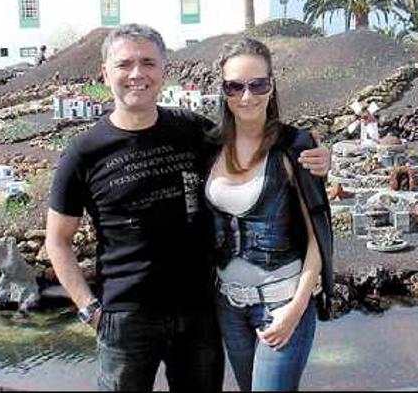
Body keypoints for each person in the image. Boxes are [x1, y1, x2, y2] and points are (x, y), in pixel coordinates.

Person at [44, 24, 331, 392]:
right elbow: (58, 240)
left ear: (163, 70)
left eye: (147, 62)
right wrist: (88, 308)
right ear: (105, 72)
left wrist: (319, 155)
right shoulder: (83, 153)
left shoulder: (193, 130)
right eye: (124, 64)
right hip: (127, 316)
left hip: (200, 313)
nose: (137, 73)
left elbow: (256, 137)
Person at [206, 38, 333, 391]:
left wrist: (295, 310)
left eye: (257, 84)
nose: (246, 96)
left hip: (282, 301)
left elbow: (317, 238)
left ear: (271, 85)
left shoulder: (296, 146)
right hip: (228, 304)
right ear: (223, 90)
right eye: (234, 86)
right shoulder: (209, 146)